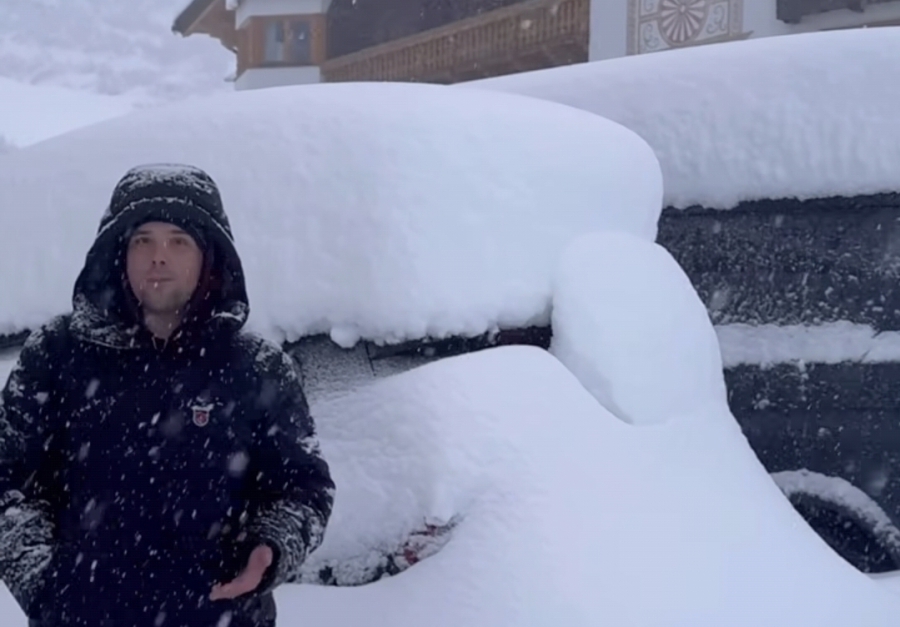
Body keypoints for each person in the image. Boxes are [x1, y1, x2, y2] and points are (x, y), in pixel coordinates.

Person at [0, 164, 335, 627]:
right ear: (118, 252)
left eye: (179, 241)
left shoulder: (257, 366)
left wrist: (271, 547)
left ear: (208, 256)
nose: (159, 257)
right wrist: (45, 583)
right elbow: (5, 478)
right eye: (143, 241)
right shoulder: (56, 355)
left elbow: (304, 488)